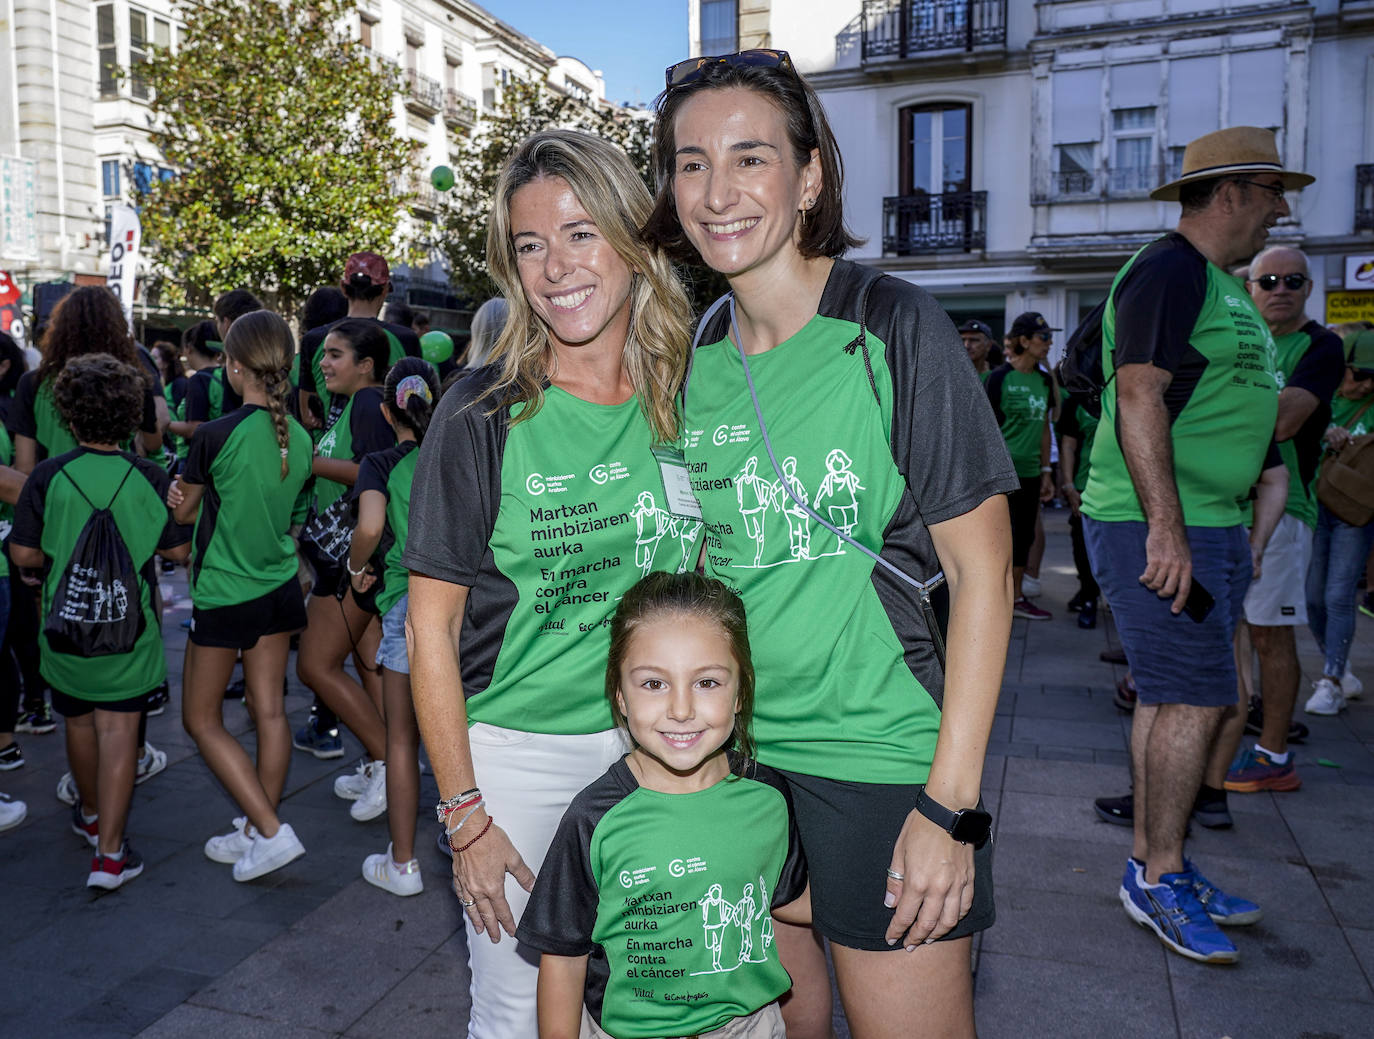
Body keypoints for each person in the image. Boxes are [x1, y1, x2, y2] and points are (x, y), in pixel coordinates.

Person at [644, 51, 1014, 1039]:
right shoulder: (692, 362)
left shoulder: (891, 324)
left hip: (883, 762)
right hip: (742, 766)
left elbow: (988, 574)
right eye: (690, 163)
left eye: (750, 158)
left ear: (809, 178)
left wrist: (951, 810)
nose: (716, 192)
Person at [404, 129, 696, 1039]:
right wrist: (464, 818)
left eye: (579, 234)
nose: (556, 267)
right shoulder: (483, 409)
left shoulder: (688, 393)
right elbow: (427, 632)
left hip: (665, 748)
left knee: (654, 1001)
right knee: (519, 1011)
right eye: (530, 245)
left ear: (630, 236)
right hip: (518, 761)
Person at [1080, 126, 1306, 964]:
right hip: (1158, 525)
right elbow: (1136, 392)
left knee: (1176, 696)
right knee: (1201, 697)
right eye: (1273, 191)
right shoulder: (1170, 268)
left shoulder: (1218, 284)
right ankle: (1159, 874)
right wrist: (1166, 526)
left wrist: (1234, 525)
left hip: (1203, 524)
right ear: (1230, 192)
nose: (1282, 209)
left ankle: (1155, 860)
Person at [518, 571, 806, 1039]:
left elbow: (789, 897)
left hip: (748, 1027)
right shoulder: (595, 818)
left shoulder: (768, 796)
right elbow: (562, 960)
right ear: (620, 695)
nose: (680, 709)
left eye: (707, 682)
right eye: (654, 684)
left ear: (740, 692)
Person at [9, 354, 190, 888]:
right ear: (133, 414)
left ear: (68, 415)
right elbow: (177, 554)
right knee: (119, 732)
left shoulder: (47, 476)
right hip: (129, 636)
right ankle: (110, 856)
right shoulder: (152, 477)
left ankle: (89, 817)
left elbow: (22, 556)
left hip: (65, 633)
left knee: (79, 725)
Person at [168, 310, 313, 882]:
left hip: (227, 592)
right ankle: (258, 826)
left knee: (201, 720)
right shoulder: (298, 438)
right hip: (279, 588)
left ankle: (272, 832)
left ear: (232, 367)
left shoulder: (214, 435)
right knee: (271, 710)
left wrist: (179, 492)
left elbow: (182, 511)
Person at [6, 287, 167, 763]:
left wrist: (44, 507)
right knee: (137, 602)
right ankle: (133, 746)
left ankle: (85, 776)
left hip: (56, 528)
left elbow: (22, 467)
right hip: (128, 510)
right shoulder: (135, 371)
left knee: (64, 623)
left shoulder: (36, 384)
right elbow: (153, 441)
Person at [1213, 246, 1342, 795]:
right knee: (1234, 637)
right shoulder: (1246, 338)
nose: (1279, 288)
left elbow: (1286, 421)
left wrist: (1220, 406)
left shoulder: (1321, 345)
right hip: (1228, 506)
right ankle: (1230, 745)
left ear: (1309, 288)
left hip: (1286, 511)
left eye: (1293, 279)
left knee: (1270, 636)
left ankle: (1274, 754)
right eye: (1267, 279)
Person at [346, 356, 440, 895]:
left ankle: (402, 864)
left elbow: (371, 525)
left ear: (387, 410)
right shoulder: (457, 453)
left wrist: (358, 568)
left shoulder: (380, 463)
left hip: (408, 608)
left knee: (402, 742)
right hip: (467, 611)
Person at [296, 319, 395, 817]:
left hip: (352, 562)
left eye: (336, 355)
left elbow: (374, 472)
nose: (324, 363)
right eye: (324, 354)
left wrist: (305, 460)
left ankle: (388, 761)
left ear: (366, 365)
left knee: (314, 665)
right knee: (367, 663)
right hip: (349, 558)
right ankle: (385, 766)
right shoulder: (349, 405)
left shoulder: (365, 404)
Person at [1300, 329, 1374, 716]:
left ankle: (1330, 680)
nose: (1366, 385)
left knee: (1338, 596)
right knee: (1312, 599)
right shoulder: (1317, 396)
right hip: (1315, 506)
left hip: (1356, 515)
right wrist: (1322, 431)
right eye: (1360, 374)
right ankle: (1340, 666)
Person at [986, 312, 1058, 620]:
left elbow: (1044, 427)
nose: (1049, 343)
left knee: (1025, 535)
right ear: (1024, 341)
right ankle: (995, 598)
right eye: (1043, 338)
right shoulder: (1000, 377)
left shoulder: (1044, 380)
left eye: (1049, 337)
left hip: (1030, 473)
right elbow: (985, 429)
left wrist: (1046, 472)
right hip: (1002, 473)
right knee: (1001, 536)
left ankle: (1015, 598)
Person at [297, 252, 421, 428]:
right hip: (390, 447)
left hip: (331, 448)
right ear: (385, 289)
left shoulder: (314, 339)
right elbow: (416, 400)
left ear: (343, 287)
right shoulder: (406, 339)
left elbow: (307, 411)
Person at [1056, 389, 1101, 628]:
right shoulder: (1077, 401)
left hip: (1123, 489)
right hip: (1085, 487)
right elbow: (1068, 445)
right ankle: (1089, 596)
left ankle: (1093, 592)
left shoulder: (1123, 393)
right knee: (1082, 546)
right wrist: (1069, 485)